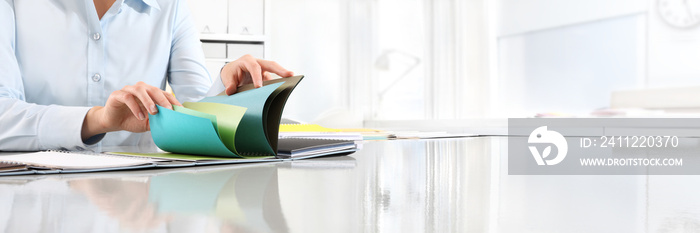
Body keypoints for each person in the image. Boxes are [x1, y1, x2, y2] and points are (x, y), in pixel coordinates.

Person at [0, 0, 294, 151]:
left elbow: (197, 118)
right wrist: (98, 120)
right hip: (34, 196)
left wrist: (228, 86)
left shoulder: (169, 7)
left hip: (139, 203)